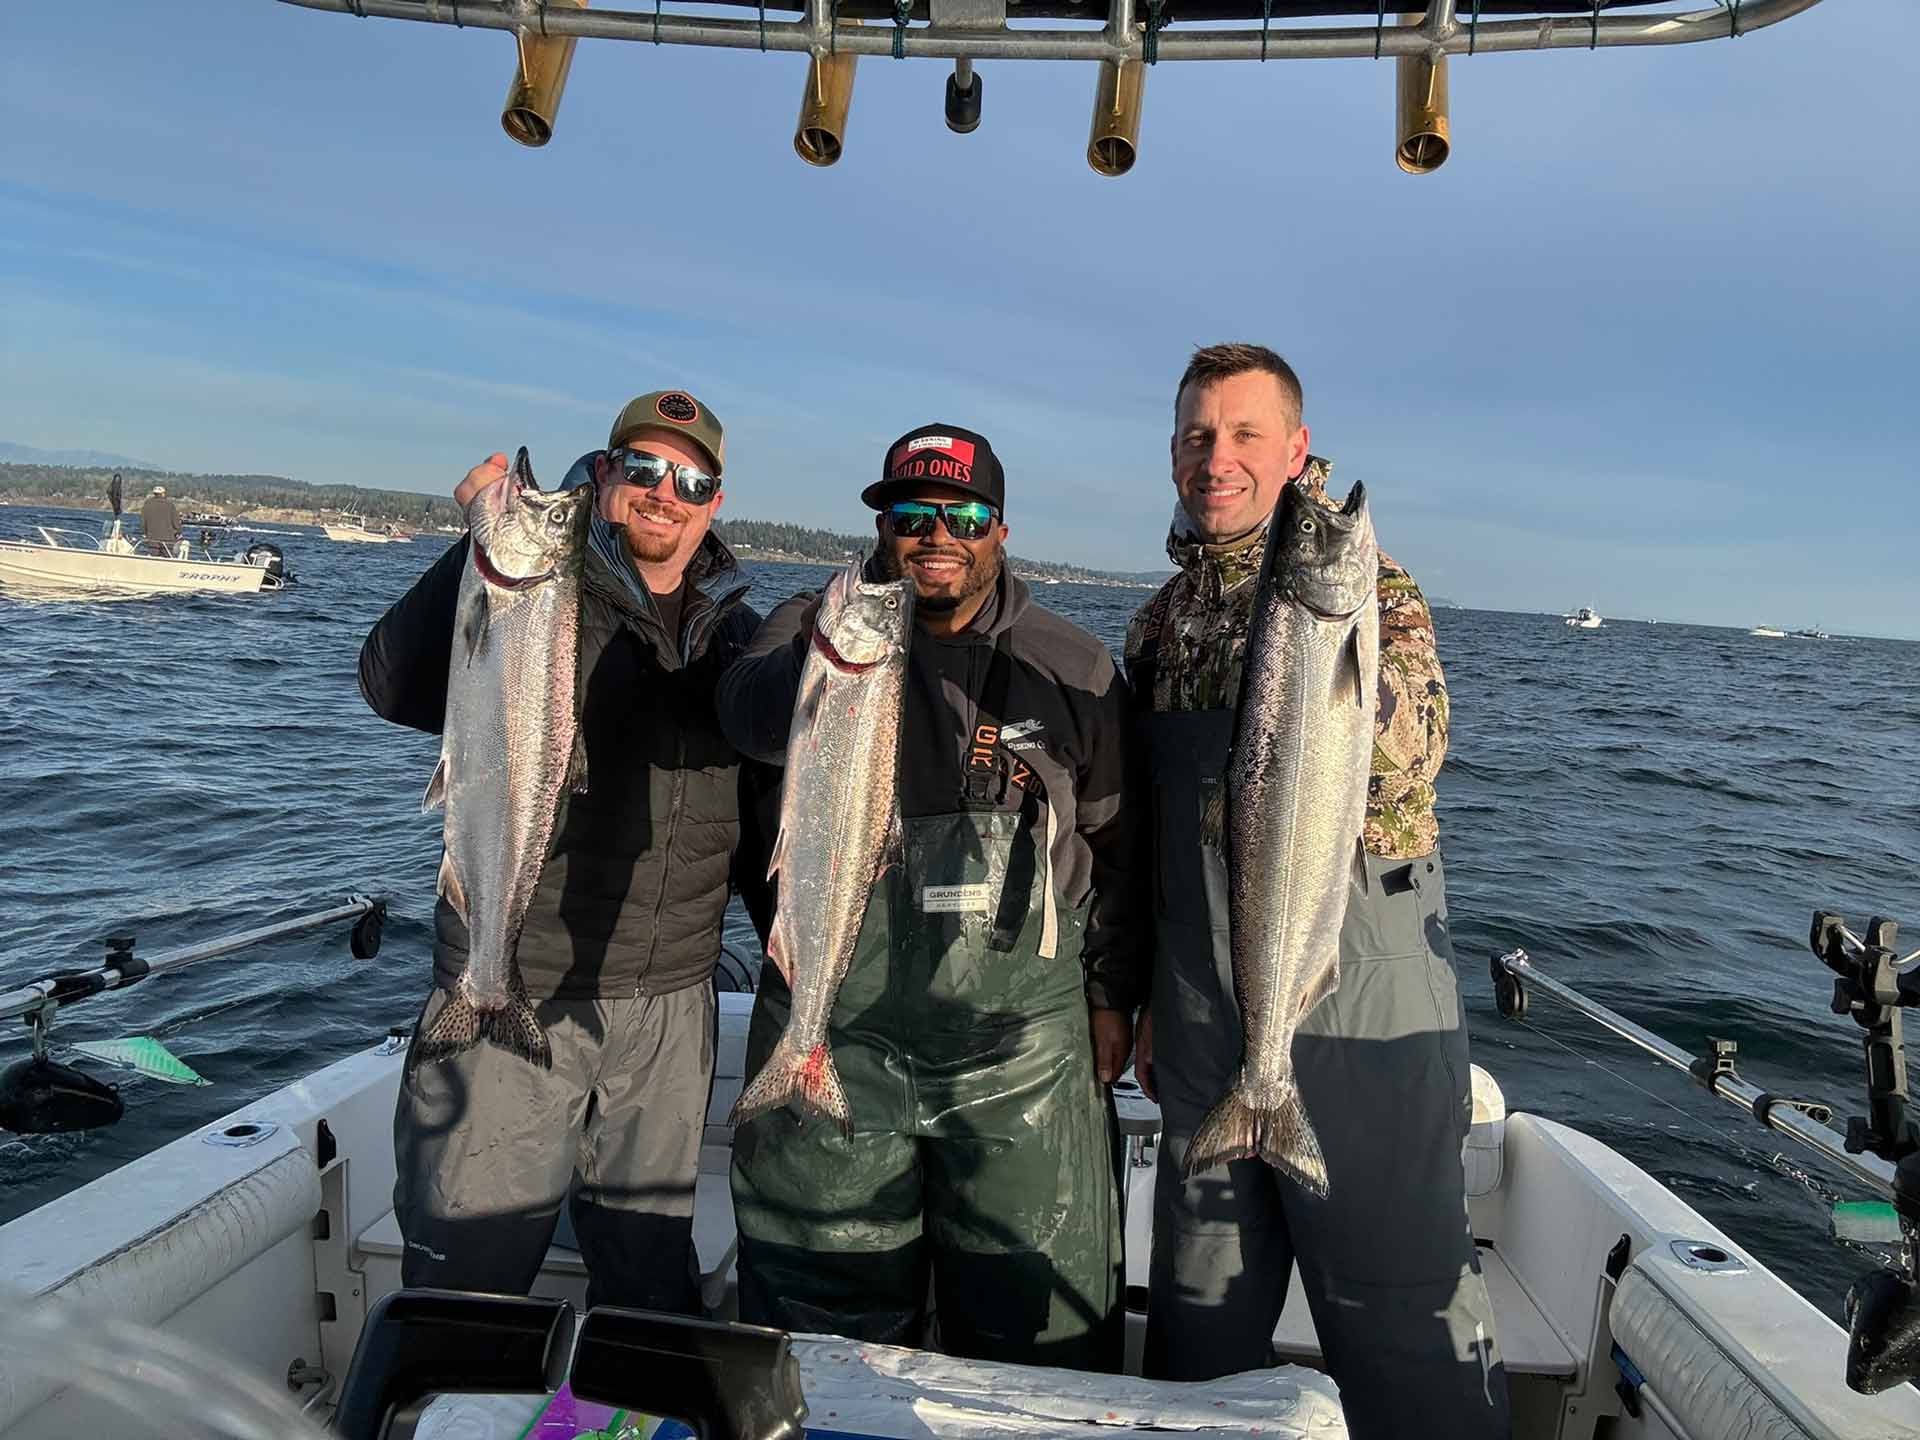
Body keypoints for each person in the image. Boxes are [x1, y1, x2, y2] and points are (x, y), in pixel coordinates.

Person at [1126, 345, 1509, 1437]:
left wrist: (1316, 656)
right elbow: (1152, 835)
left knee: (1400, 1322)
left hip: (1361, 1001)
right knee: (1198, 1322)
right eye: (1199, 436)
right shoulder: (1157, 625)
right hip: (1207, 1022)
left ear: (1296, 451)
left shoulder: (1373, 594)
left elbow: (1415, 752)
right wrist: (1153, 996)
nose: (1219, 459)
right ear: (1172, 456)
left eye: (1246, 434)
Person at [716, 423, 1146, 1372]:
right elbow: (744, 717)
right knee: (819, 1336)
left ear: (1000, 528)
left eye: (964, 514)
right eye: (912, 515)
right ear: (882, 529)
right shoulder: (813, 628)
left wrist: (1114, 993)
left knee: (1034, 1333)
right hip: (835, 1029)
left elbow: (1118, 848)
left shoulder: (1071, 665)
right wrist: (831, 652)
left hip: (1020, 1054)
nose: (937, 534)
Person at [358, 390, 763, 1313]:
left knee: (648, 1283)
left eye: (692, 479)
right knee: (469, 1280)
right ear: (607, 473)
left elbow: (770, 825)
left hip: (669, 1012)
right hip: (515, 976)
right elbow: (388, 682)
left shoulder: (739, 636)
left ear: (715, 503)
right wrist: (479, 547)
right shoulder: (535, 587)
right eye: (647, 468)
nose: (668, 492)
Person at [141, 485, 182, 555]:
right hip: (167, 538)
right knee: (167, 558)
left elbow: (143, 521)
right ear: (163, 493)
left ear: (154, 493)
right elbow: (176, 521)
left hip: (152, 538)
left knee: (153, 559)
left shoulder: (147, 504)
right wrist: (179, 531)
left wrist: (144, 532)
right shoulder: (169, 504)